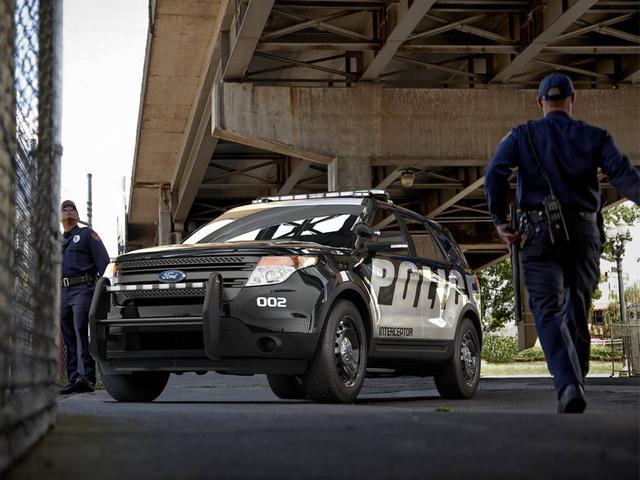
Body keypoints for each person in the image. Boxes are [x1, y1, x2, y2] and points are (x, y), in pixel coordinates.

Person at [484, 73, 640, 413]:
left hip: (538, 234)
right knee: (576, 308)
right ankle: (576, 381)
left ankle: (569, 384)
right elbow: (624, 174)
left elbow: (495, 172)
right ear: (573, 99)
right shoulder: (594, 136)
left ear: (540, 102)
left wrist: (500, 221)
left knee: (546, 309)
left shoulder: (522, 135)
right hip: (584, 234)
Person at [59, 200, 110, 394]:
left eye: (72, 208)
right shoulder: (56, 242)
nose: (69, 211)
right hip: (62, 292)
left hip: (82, 289)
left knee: (81, 330)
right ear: (60, 217)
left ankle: (86, 377)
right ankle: (73, 379)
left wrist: (97, 290)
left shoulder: (87, 235)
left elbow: (103, 263)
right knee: (68, 335)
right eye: (65, 209)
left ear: (78, 216)